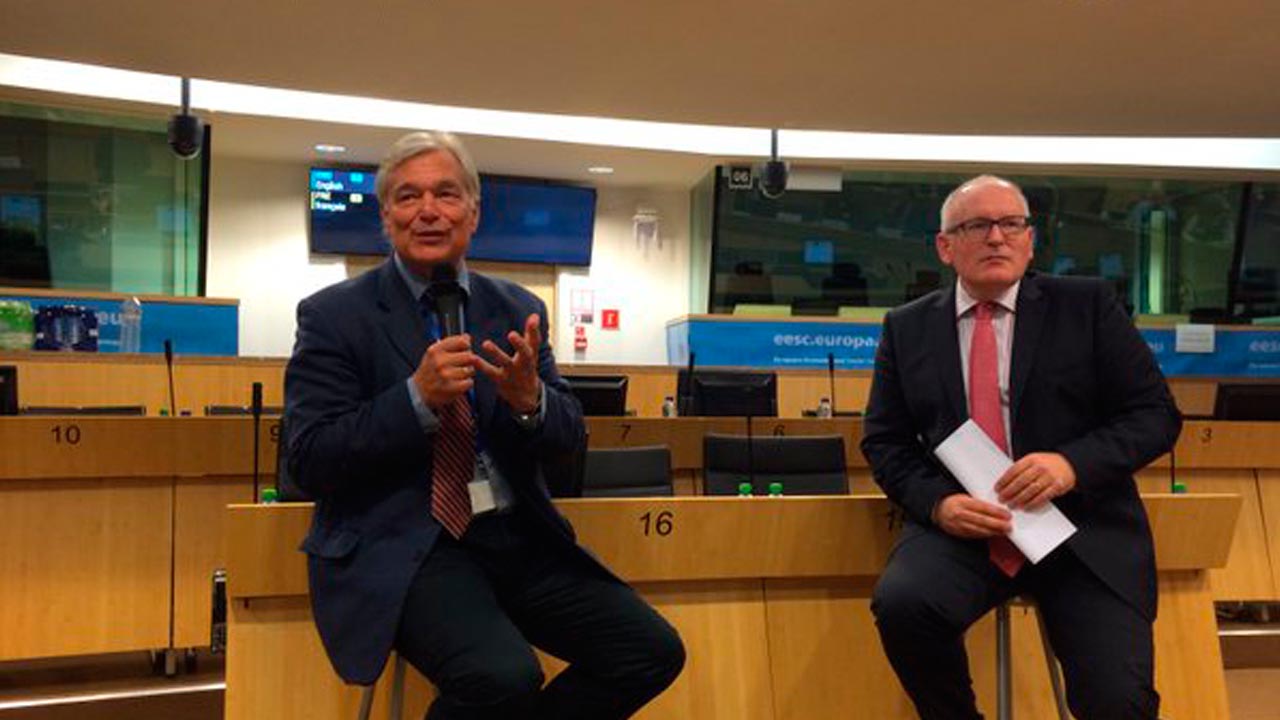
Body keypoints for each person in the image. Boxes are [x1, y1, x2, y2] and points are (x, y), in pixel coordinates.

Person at [284, 130, 684, 719]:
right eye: (407, 196)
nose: (428, 211)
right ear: (386, 217)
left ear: (473, 213)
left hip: (516, 537)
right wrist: (415, 399)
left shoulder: (517, 309)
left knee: (650, 653)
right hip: (408, 546)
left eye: (446, 194)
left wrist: (531, 403)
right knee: (504, 678)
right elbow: (310, 458)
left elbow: (569, 438)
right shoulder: (333, 315)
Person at [861, 175, 1181, 719]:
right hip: (965, 534)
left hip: (1081, 533)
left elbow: (1156, 415)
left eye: (1012, 224)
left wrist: (1071, 464)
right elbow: (885, 441)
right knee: (903, 606)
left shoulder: (1088, 306)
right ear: (945, 246)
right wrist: (938, 503)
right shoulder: (907, 327)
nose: (996, 237)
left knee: (1119, 703)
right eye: (977, 225)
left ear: (1030, 241)